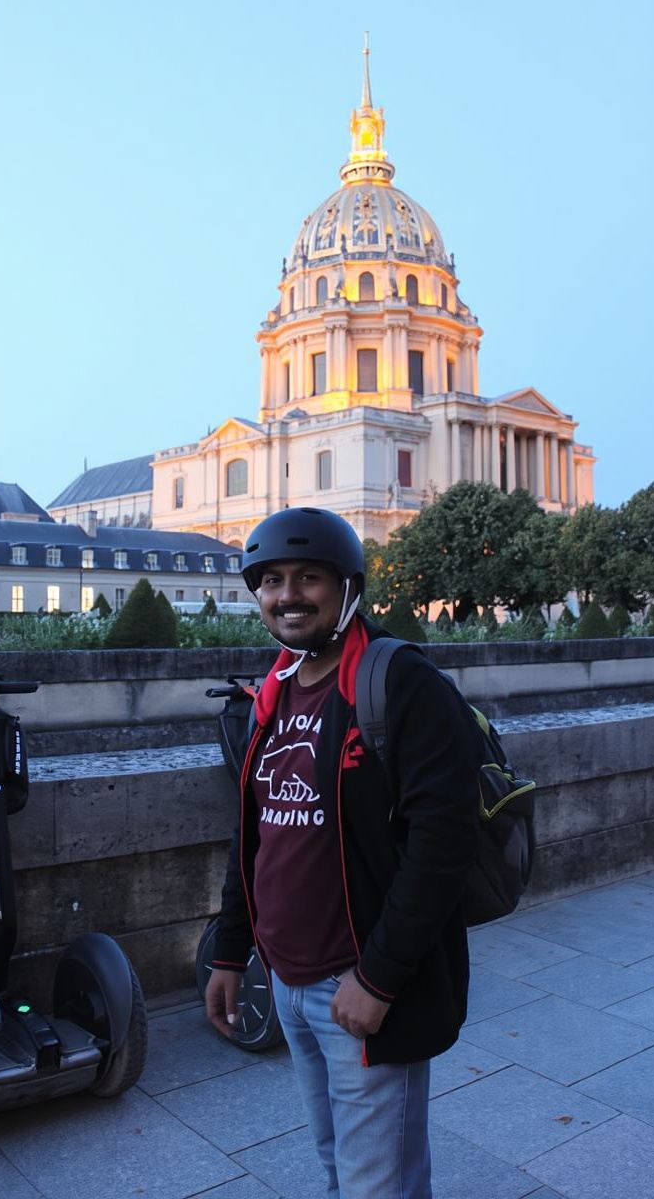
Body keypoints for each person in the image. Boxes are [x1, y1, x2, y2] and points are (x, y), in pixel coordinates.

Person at [205, 506, 482, 1199]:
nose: (287, 593)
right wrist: (232, 950)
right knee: (337, 1165)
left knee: (376, 1183)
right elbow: (257, 832)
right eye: (270, 579)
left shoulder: (400, 682)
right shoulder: (272, 690)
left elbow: (444, 843)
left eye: (308, 577)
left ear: (347, 586)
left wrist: (381, 978)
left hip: (359, 982)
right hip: (289, 982)